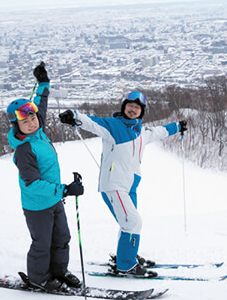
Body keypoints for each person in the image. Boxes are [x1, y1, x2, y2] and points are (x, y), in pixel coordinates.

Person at [59, 92, 186, 276]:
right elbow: (93, 122)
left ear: (142, 112)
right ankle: (126, 265)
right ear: (123, 107)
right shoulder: (113, 126)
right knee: (133, 222)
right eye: (130, 106)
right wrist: (75, 116)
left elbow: (160, 131)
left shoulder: (141, 132)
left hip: (130, 187)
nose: (133, 109)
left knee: (127, 223)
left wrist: (177, 126)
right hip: (114, 185)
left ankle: (127, 255)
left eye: (137, 107)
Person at [6, 62, 84, 291]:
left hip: (54, 199)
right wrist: (65, 190)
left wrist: (43, 83)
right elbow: (32, 184)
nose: (31, 123)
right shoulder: (24, 150)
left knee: (62, 238)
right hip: (38, 204)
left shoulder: (38, 132)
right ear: (16, 125)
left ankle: (59, 271)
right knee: (42, 244)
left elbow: (41, 104)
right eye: (25, 121)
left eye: (33, 118)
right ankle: (40, 278)